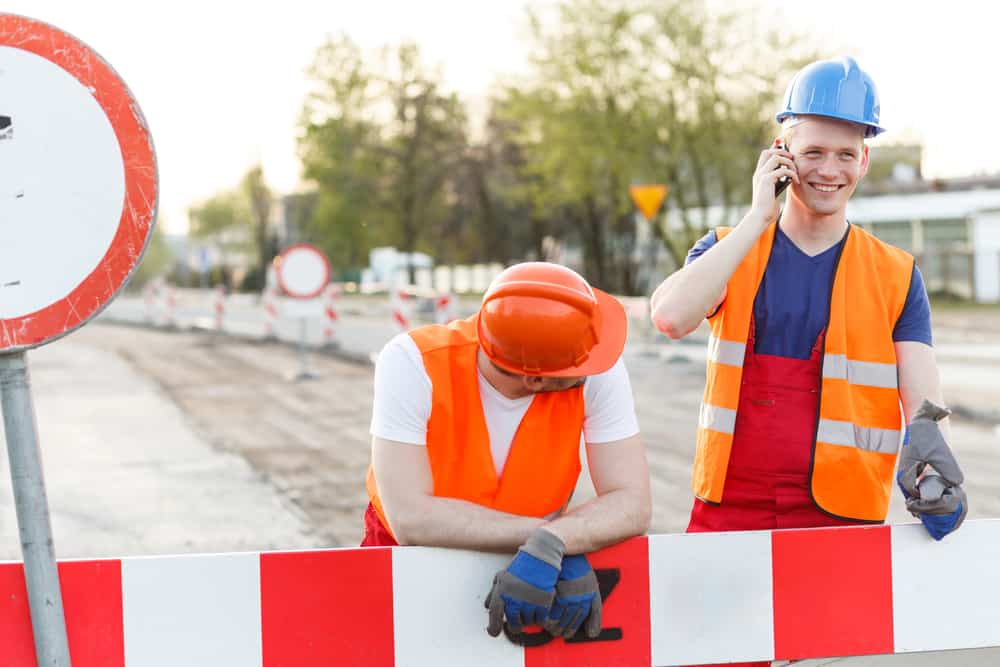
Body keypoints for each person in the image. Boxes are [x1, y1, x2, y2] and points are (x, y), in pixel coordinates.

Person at [650, 57, 967, 665]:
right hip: (728, 508)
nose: (829, 170)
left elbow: (923, 400)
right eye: (814, 152)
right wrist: (756, 217)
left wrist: (933, 464)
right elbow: (670, 316)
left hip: (839, 515)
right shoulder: (727, 249)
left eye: (846, 155)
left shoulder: (896, 275)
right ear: (782, 152)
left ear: (864, 162)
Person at [363, 261, 651, 640]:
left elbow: (633, 502)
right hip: (411, 558)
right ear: (534, 378)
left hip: (534, 569)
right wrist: (550, 538)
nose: (593, 360)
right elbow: (411, 518)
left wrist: (557, 542)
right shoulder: (413, 362)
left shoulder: (593, 363)